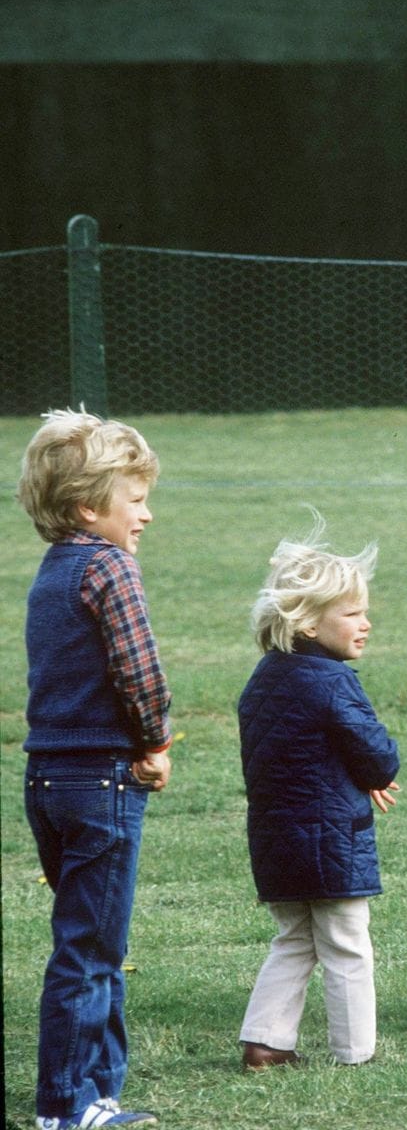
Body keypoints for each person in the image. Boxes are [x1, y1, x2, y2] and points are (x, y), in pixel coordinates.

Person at [18, 408, 172, 1128]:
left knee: (91, 936)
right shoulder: (111, 566)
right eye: (135, 499)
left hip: (46, 778)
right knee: (89, 949)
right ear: (89, 506)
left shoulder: (50, 573)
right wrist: (156, 743)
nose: (146, 514)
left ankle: (100, 1091)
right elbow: (139, 672)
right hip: (102, 779)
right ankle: (69, 1107)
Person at [238, 515, 400, 1069]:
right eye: (352, 613)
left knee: (295, 939)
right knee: (347, 943)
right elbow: (376, 751)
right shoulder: (333, 682)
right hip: (331, 839)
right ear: (307, 624)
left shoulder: (262, 680)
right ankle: (355, 1051)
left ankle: (265, 1041)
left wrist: (357, 777)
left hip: (277, 839)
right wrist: (374, 774)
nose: (366, 623)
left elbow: (297, 753)